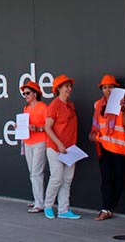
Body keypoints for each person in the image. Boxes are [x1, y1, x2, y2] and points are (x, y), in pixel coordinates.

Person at [89, 74, 125, 221]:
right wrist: (93, 135)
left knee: (119, 179)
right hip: (104, 147)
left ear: (116, 88)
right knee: (106, 179)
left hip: (120, 148)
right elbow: (95, 125)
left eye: (110, 87)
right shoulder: (98, 105)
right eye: (105, 87)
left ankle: (110, 206)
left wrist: (124, 108)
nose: (107, 90)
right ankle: (106, 208)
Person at [43, 74, 81, 220]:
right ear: (58, 89)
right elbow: (48, 127)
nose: (69, 89)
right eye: (66, 86)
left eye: (70, 86)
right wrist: (59, 143)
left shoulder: (70, 105)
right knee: (57, 177)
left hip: (70, 149)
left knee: (67, 179)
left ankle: (63, 209)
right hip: (54, 147)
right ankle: (48, 206)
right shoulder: (54, 105)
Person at [20, 80, 47, 214]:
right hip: (28, 141)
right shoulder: (26, 108)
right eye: (24, 93)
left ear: (35, 94)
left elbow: (49, 127)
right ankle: (37, 199)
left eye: (28, 93)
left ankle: (40, 203)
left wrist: (38, 128)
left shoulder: (43, 107)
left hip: (40, 142)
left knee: (36, 172)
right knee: (33, 172)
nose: (25, 95)